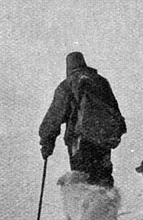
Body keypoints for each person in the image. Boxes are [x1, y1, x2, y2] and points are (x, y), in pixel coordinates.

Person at [39, 52, 126, 187]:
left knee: (82, 179)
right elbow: (113, 108)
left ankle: (86, 206)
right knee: (103, 177)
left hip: (80, 140)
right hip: (102, 138)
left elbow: (54, 116)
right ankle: (106, 205)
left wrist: (47, 143)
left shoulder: (68, 84)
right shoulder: (100, 81)